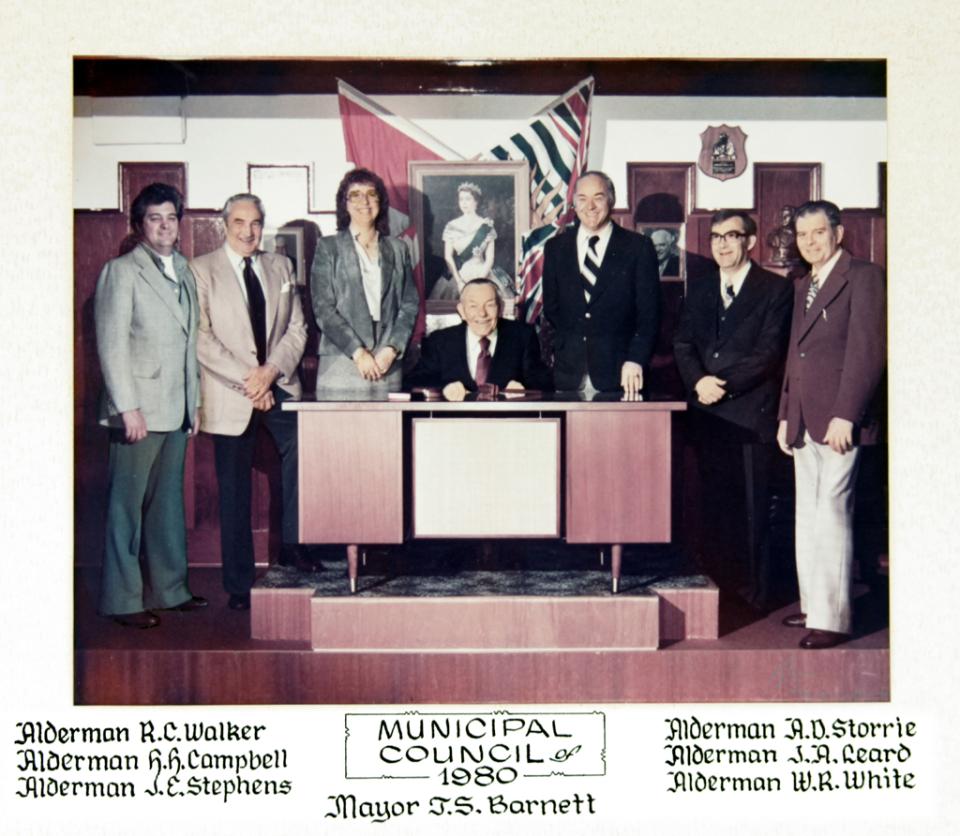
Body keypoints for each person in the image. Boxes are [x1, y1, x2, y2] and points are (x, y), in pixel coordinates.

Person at [94, 182, 205, 628]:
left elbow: (189, 343)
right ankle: (121, 600)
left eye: (171, 218)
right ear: (140, 224)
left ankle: (170, 589)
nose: (164, 226)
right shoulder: (121, 271)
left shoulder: (184, 269)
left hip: (176, 407)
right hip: (138, 408)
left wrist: (194, 403)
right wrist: (127, 407)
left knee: (166, 504)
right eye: (155, 218)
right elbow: (111, 345)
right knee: (126, 507)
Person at [777, 200, 886, 649]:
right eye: (802, 235)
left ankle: (833, 620)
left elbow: (867, 351)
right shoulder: (804, 282)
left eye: (818, 232)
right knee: (808, 514)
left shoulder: (863, 276)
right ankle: (814, 607)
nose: (809, 242)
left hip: (840, 419)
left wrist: (848, 413)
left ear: (838, 234)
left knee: (831, 513)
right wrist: (786, 413)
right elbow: (795, 355)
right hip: (803, 418)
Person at [191, 193, 308, 610]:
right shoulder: (200, 269)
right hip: (232, 393)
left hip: (279, 385)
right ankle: (239, 585)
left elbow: (297, 328)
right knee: (235, 489)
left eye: (255, 222)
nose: (248, 231)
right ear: (225, 225)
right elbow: (201, 337)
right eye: (239, 222)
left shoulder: (281, 266)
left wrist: (270, 373)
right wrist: (251, 381)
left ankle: (295, 550)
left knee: (307, 456)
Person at [673, 209, 793, 609]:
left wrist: (719, 386)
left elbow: (767, 354)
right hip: (706, 415)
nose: (722, 244)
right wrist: (698, 381)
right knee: (713, 507)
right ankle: (718, 593)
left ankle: (754, 598)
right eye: (716, 237)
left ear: (750, 242)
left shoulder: (775, 289)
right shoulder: (700, 288)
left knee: (752, 509)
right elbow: (683, 344)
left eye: (731, 236)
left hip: (748, 415)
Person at [542, 170, 660, 398]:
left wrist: (635, 359)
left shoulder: (638, 247)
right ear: (574, 203)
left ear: (611, 200)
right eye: (582, 198)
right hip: (568, 374)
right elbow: (552, 308)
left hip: (622, 374)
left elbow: (650, 315)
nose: (590, 206)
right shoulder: (556, 248)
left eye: (598, 197)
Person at [310, 168, 420, 391]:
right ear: (345, 203)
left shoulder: (398, 248)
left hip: (386, 362)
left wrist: (392, 349)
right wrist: (358, 352)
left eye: (371, 194)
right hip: (342, 362)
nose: (364, 201)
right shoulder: (328, 247)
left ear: (381, 201)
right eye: (355, 195)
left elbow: (409, 305)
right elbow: (323, 309)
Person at [407, 278, 553, 400]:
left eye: (490, 305)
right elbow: (414, 381)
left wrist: (524, 389)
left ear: (501, 308)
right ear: (462, 311)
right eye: (473, 306)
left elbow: (544, 381)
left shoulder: (522, 336)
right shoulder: (439, 341)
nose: (482, 313)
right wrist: (444, 388)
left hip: (506, 421)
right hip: (455, 422)